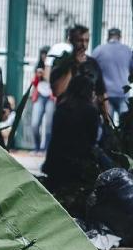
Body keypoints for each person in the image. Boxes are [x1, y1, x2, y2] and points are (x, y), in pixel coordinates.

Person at [41, 71, 102, 213]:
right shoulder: (90, 111)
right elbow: (93, 140)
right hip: (80, 165)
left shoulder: (62, 108)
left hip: (57, 163)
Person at [51, 25, 109, 122]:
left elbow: (101, 94)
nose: (84, 45)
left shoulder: (93, 64)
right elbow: (57, 91)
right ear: (71, 41)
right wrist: (73, 67)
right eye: (80, 40)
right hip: (67, 118)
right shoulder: (62, 62)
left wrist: (107, 121)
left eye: (86, 41)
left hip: (89, 118)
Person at [15, 49, 56, 151]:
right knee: (35, 123)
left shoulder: (54, 67)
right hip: (40, 96)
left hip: (51, 97)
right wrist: (38, 76)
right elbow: (34, 83)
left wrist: (48, 74)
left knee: (49, 124)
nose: (44, 57)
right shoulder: (38, 67)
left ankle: (46, 148)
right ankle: (37, 147)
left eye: (46, 55)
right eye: (43, 55)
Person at [92, 27, 133, 120]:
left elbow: (92, 69)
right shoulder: (127, 50)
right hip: (123, 92)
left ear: (108, 37)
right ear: (119, 37)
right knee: (124, 123)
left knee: (107, 124)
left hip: (106, 93)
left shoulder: (99, 50)